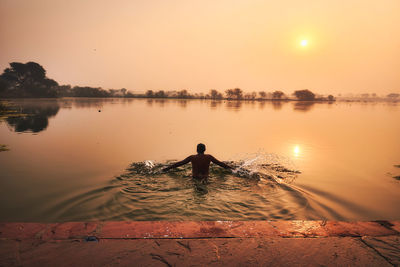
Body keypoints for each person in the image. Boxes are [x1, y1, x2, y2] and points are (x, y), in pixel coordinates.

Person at [162, 143, 232, 181]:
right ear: (205, 149)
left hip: (194, 178)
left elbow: (179, 163)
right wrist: (232, 168)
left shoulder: (192, 157)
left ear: (196, 150)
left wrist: (167, 168)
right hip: (206, 178)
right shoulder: (209, 157)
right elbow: (220, 164)